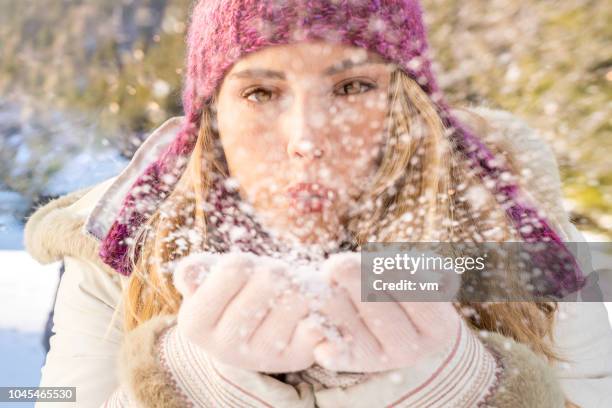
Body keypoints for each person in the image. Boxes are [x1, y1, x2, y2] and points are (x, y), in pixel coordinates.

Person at [24, 0, 612, 407]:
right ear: (212, 116)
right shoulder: (126, 236)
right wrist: (192, 382)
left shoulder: (514, 223)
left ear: (405, 105)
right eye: (260, 91)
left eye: (352, 86)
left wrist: (453, 385)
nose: (306, 139)